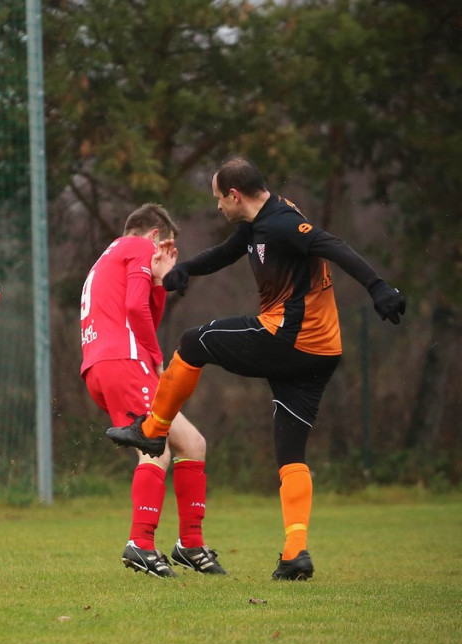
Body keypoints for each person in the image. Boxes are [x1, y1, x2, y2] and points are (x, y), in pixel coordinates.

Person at [107, 155, 406, 580]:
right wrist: (186, 270)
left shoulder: (282, 222)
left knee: (195, 341)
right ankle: (295, 555)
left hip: (289, 339)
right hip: (320, 354)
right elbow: (227, 253)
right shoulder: (256, 224)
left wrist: (379, 288)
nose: (217, 208)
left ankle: (152, 431)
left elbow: (332, 245)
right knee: (290, 453)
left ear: (235, 195)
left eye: (218, 200)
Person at [81, 203, 226, 578]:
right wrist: (157, 357)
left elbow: (144, 308)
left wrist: (159, 282)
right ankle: (140, 544)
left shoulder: (111, 255)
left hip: (102, 365)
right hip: (124, 361)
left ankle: (190, 544)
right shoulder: (141, 248)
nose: (171, 257)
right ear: (155, 237)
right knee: (154, 447)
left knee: (192, 444)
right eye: (170, 248)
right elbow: (133, 308)